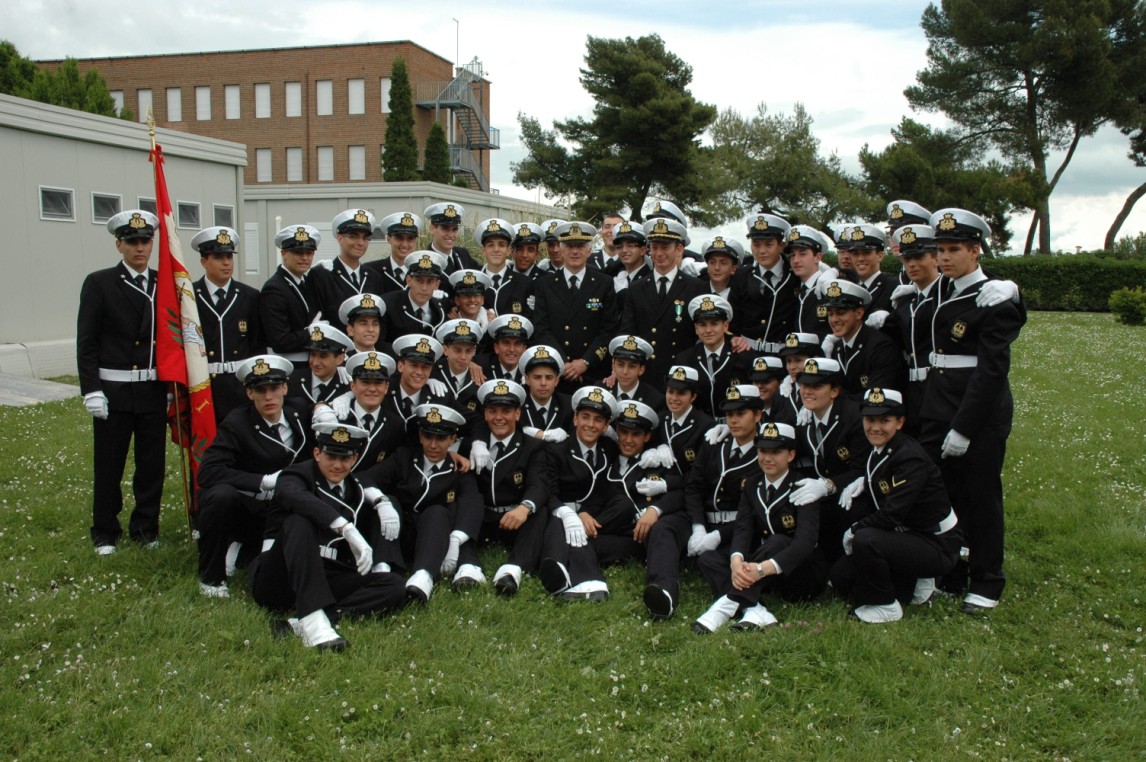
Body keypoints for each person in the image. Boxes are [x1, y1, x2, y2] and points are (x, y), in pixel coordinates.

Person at [920, 208, 1024, 614]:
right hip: (938, 403)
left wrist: (964, 427)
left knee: (981, 496)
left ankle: (987, 580)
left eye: (954, 250)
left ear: (975, 251)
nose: (944, 258)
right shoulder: (943, 289)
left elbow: (991, 371)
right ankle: (953, 570)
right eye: (941, 250)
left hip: (978, 411)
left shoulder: (994, 296)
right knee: (945, 494)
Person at [249, 422, 407, 651]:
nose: (337, 465)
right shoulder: (297, 474)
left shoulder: (355, 489)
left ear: (355, 459)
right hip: (280, 575)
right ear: (317, 454)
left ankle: (307, 622)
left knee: (393, 585)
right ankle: (315, 623)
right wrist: (345, 528)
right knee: (299, 521)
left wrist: (381, 501)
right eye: (331, 456)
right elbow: (293, 495)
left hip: (324, 572)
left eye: (345, 458)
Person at [830, 388, 963, 623]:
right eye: (870, 420)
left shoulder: (909, 456)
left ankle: (885, 605)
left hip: (936, 543)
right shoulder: (881, 448)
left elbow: (892, 514)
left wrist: (855, 530)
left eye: (885, 421)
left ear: (900, 422)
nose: (875, 427)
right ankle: (915, 582)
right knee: (841, 578)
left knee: (866, 539)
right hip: (908, 534)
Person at [77, 209, 167, 554]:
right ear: (119, 245)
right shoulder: (100, 283)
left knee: (151, 465)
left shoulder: (164, 283)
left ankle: (146, 529)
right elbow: (87, 343)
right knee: (109, 464)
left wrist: (171, 385)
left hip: (152, 389)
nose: (140, 248)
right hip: (113, 390)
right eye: (132, 242)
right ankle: (104, 531)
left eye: (145, 241)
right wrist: (91, 390)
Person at [641, 384, 764, 619]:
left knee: (711, 559)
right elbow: (694, 486)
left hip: (736, 529)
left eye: (741, 413)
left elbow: (755, 511)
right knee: (665, 527)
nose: (734, 420)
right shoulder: (715, 443)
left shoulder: (766, 453)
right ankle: (664, 590)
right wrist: (698, 525)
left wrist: (718, 536)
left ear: (757, 415)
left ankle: (745, 605)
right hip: (704, 520)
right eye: (729, 414)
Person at [692, 421, 828, 633]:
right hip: (763, 572)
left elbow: (805, 543)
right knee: (708, 558)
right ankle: (755, 609)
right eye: (763, 451)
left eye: (776, 452)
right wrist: (737, 562)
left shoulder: (803, 486)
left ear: (791, 455)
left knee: (779, 540)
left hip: (800, 574)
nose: (767, 458)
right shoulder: (752, 484)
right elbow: (743, 528)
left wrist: (761, 569)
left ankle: (727, 603)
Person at [197, 355, 312, 597]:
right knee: (220, 495)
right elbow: (207, 472)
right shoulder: (237, 423)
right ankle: (211, 578)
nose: (268, 397)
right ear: (249, 393)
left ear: (285, 388)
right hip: (250, 510)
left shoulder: (300, 411)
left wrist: (323, 408)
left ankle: (243, 551)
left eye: (274, 388)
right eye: (260, 390)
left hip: (286, 508)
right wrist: (262, 482)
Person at [359, 403, 482, 601]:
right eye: (428, 436)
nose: (433, 445)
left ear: (452, 440)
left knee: (437, 511)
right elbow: (365, 478)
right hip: (397, 535)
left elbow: (472, 503)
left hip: (432, 539)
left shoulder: (459, 469)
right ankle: (383, 567)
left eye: (441, 438)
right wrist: (380, 501)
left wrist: (457, 538)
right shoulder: (403, 457)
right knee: (388, 502)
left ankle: (423, 576)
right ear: (420, 436)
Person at [464, 379, 552, 595]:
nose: (499, 417)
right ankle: (467, 567)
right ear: (485, 414)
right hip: (482, 517)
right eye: (493, 411)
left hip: (515, 518)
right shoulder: (472, 445)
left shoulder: (532, 446)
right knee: (458, 508)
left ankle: (513, 569)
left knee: (539, 512)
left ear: (517, 414)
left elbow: (539, 483)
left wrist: (524, 507)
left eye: (506, 411)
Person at [537, 386, 620, 601]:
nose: (590, 424)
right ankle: (570, 573)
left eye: (598, 420)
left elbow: (605, 489)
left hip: (592, 516)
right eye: (585, 417)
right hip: (559, 513)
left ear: (606, 426)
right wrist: (568, 513)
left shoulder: (609, 449)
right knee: (558, 525)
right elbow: (548, 491)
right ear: (575, 419)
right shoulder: (557, 450)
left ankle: (574, 574)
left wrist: (584, 513)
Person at [791, 357, 868, 566]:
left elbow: (861, 470)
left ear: (834, 391)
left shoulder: (854, 418)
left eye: (816, 386)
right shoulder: (805, 417)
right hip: (825, 495)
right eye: (804, 385)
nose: (807, 391)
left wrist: (828, 485)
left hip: (855, 494)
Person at [619, 218, 707, 385]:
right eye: (654, 247)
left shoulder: (696, 287)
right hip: (646, 372)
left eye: (665, 247)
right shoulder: (636, 288)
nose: (659, 253)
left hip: (681, 373)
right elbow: (628, 331)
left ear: (679, 249)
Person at [532, 222, 618, 390]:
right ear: (561, 249)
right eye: (569, 246)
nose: (575, 251)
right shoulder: (544, 284)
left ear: (589, 250)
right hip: (557, 372)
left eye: (580, 246)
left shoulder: (604, 283)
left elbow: (609, 329)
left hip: (592, 372)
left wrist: (586, 362)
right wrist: (562, 362)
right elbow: (541, 329)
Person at [191, 225, 261, 422]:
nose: (226, 263)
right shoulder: (189, 296)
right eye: (218, 257)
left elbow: (257, 344)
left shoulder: (250, 296)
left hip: (239, 384)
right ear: (204, 261)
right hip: (205, 385)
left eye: (229, 256)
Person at [887, 224, 941, 436]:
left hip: (940, 389)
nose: (912, 264)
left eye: (919, 257)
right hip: (912, 390)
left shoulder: (946, 296)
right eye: (907, 259)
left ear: (935, 258)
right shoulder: (906, 301)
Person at [312, 350, 405, 472]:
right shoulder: (334, 415)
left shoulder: (395, 424)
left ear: (386, 387)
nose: (372, 389)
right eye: (365, 382)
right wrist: (319, 405)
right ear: (353, 386)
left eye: (378, 383)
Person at [821, 278, 906, 401]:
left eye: (841, 312)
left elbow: (874, 398)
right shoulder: (836, 348)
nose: (834, 319)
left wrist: (829, 401)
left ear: (859, 313)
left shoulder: (881, 347)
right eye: (830, 314)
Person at [729, 213, 796, 354]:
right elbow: (733, 320)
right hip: (747, 352)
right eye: (756, 244)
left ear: (781, 246)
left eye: (769, 244)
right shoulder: (742, 275)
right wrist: (734, 337)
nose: (762, 251)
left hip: (784, 355)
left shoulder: (794, 275)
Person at [674, 294, 750, 417]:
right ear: (696, 328)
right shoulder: (685, 360)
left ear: (725, 326)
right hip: (700, 425)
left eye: (714, 324)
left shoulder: (743, 357)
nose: (708, 330)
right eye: (702, 325)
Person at [310, 209, 386, 326]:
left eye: (365, 238)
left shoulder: (373, 277)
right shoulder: (322, 275)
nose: (361, 243)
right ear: (340, 238)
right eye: (354, 237)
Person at [261, 225, 322, 368]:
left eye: (309, 253)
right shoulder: (274, 288)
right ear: (283, 253)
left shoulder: (307, 283)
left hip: (310, 365)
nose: (304, 258)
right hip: (288, 367)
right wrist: (314, 332)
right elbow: (281, 341)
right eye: (298, 252)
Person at [379, 250, 449, 346]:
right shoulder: (388, 304)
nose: (424, 288)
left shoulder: (442, 308)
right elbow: (380, 344)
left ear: (437, 284)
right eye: (419, 281)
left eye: (430, 282)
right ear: (408, 280)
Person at [656, 364, 715, 478]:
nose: (674, 398)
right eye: (670, 391)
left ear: (693, 397)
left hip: (689, 485)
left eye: (681, 393)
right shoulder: (660, 419)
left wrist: (668, 484)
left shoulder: (706, 425)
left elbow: (702, 471)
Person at [286, 321, 352, 410]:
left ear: (339, 359)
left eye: (323, 356)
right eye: (313, 354)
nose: (315, 363)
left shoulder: (346, 387)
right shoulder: (292, 380)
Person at [476, 217, 534, 318]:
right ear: (483, 250)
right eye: (490, 245)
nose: (496, 249)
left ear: (509, 250)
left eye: (501, 245)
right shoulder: (475, 282)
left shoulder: (524, 283)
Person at [786, 225, 835, 339]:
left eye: (803, 254)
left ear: (817, 257)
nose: (796, 260)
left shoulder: (829, 287)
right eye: (792, 255)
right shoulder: (792, 286)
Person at [841, 223, 898, 317]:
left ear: (880, 256)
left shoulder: (893, 286)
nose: (860, 258)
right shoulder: (849, 287)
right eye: (855, 254)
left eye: (866, 253)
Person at [518, 344, 574, 439]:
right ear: (527, 380)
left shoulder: (568, 405)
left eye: (549, 378)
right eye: (537, 377)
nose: (543, 383)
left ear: (556, 381)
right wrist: (537, 433)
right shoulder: (518, 405)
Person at [367, 212, 422, 294]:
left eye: (410, 239)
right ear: (388, 239)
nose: (405, 244)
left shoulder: (422, 272)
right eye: (399, 238)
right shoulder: (372, 271)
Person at [606, 335, 665, 411]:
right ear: (613, 366)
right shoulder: (603, 391)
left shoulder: (654, 400)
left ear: (641, 370)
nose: (625, 372)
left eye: (632, 366)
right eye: (620, 365)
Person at [425, 202, 479, 273]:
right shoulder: (425, 262)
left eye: (455, 229)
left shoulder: (463, 254)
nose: (451, 235)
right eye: (445, 229)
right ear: (431, 229)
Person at [481, 314, 533, 384]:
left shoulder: (530, 371)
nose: (512, 349)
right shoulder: (481, 366)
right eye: (506, 343)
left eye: (517, 344)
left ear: (524, 349)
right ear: (496, 347)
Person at [749, 355, 796, 426]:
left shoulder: (790, 411)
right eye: (756, 381)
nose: (760, 386)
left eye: (766, 381)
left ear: (780, 383)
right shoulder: (750, 412)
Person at [610, 220, 651, 296]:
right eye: (619, 246)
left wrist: (622, 293)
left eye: (630, 245)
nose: (624, 250)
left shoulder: (651, 279)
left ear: (643, 250)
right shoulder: (616, 277)